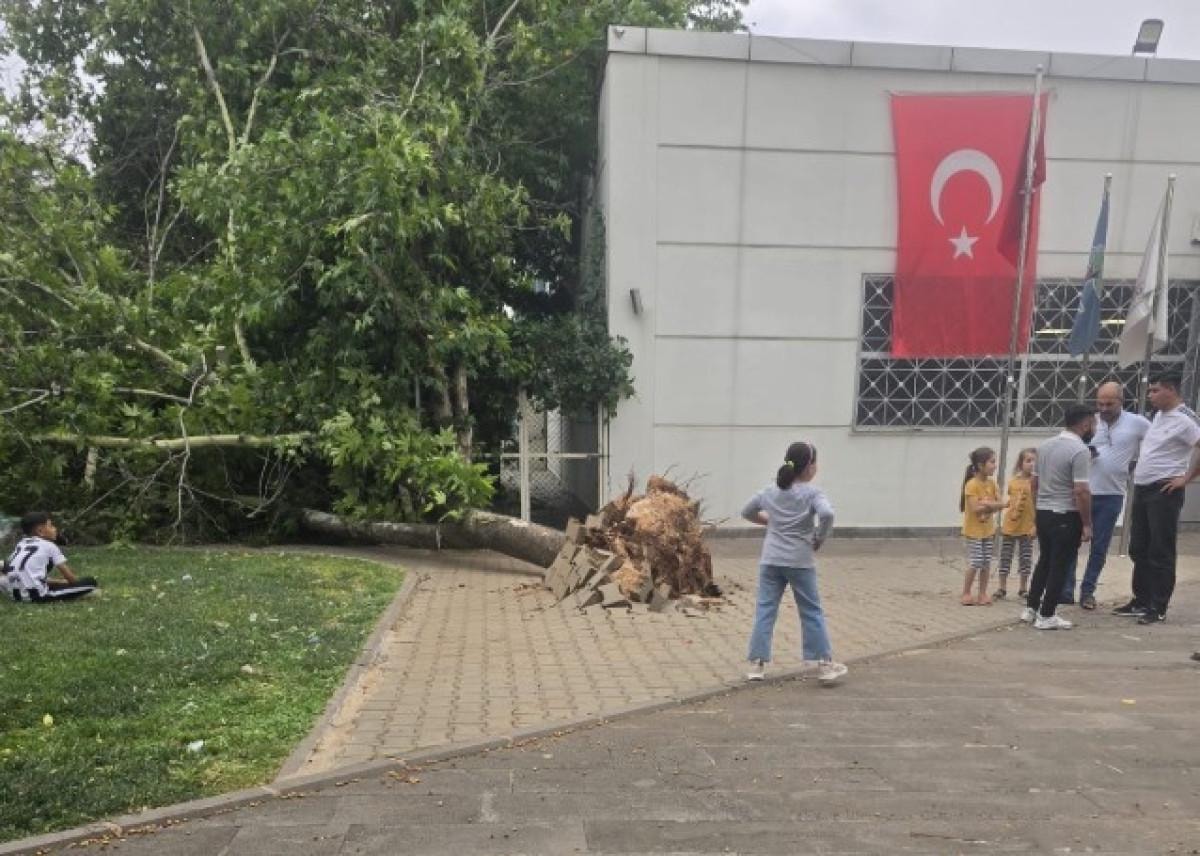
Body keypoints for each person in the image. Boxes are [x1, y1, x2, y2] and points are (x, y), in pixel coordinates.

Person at [742, 441, 846, 685]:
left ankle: (756, 665)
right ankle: (824, 665)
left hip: (771, 559)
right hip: (800, 561)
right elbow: (827, 514)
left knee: (765, 609)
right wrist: (820, 537)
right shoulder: (813, 493)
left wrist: (769, 521)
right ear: (809, 466)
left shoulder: (770, 491)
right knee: (811, 611)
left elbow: (746, 511)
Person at [1112, 373, 1200, 624]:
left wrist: (1186, 478)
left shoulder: (1185, 419)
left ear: (1171, 390)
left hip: (1164, 490)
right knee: (1139, 546)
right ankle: (1141, 599)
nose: (1150, 395)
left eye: (1155, 390)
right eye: (1149, 391)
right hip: (1142, 488)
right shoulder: (1158, 416)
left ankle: (1158, 605)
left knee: (1161, 549)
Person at [1059, 382, 1150, 610]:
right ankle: (1066, 590)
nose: (1104, 408)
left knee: (1099, 547)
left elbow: (1155, 444)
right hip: (1083, 491)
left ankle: (1088, 591)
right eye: (1100, 403)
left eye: (1109, 404)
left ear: (1121, 401)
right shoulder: (1090, 422)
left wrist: (1133, 467)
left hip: (1111, 494)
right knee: (1070, 542)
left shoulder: (1137, 423)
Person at [1021, 404, 1095, 630]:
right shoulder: (1080, 451)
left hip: (1044, 512)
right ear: (1085, 424)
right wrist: (1087, 523)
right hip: (1066, 514)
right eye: (1093, 423)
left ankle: (1031, 608)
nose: (1094, 428)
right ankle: (1047, 614)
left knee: (1045, 560)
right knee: (1060, 565)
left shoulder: (1045, 446)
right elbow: (1081, 491)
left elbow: (1034, 484)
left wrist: (1038, 511)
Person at [3, 512, 98, 603]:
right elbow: (70, 578)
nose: (55, 529)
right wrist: (77, 585)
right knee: (90, 582)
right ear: (40, 531)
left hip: (15, 595)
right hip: (37, 596)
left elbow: (20, 572)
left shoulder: (21, 544)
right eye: (51, 526)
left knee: (47, 574)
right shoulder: (49, 546)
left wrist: (60, 582)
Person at [959, 447, 1006, 606]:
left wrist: (988, 504)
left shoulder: (992, 484)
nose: (995, 465)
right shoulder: (971, 485)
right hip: (973, 531)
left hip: (988, 531)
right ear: (980, 465)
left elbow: (1001, 503)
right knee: (976, 561)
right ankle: (966, 592)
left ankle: (982, 593)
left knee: (986, 562)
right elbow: (975, 508)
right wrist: (992, 505)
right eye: (992, 462)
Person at [994, 448, 1036, 601]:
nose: (1032, 464)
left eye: (1035, 461)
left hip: (1027, 527)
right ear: (1020, 464)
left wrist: (1036, 525)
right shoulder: (1013, 482)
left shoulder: (1037, 483)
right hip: (1010, 526)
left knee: (1025, 558)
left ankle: (1023, 588)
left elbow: (1038, 505)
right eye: (1028, 461)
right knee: (1005, 556)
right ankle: (1002, 587)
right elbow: (1010, 502)